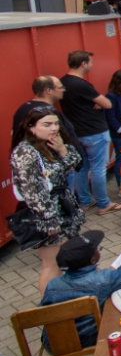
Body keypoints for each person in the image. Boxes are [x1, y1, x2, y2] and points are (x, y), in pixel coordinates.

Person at [11, 107, 85, 296]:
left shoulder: (51, 143)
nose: (53, 128)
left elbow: (76, 164)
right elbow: (31, 190)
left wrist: (62, 149)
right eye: (47, 124)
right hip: (47, 213)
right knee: (51, 263)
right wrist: (49, 219)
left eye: (55, 123)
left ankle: (68, 297)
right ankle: (51, 306)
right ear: (31, 127)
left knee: (65, 259)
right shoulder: (25, 152)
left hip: (64, 207)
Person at [40, 230, 121, 348]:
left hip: (52, 343)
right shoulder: (102, 279)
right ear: (92, 260)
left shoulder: (53, 283)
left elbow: (43, 309)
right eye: (98, 249)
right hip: (86, 341)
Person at [60, 50, 121, 214]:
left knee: (81, 167)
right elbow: (107, 103)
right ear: (83, 64)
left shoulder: (63, 82)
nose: (92, 65)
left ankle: (85, 201)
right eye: (90, 62)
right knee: (98, 168)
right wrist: (100, 103)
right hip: (94, 131)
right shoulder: (82, 84)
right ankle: (103, 203)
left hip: (76, 132)